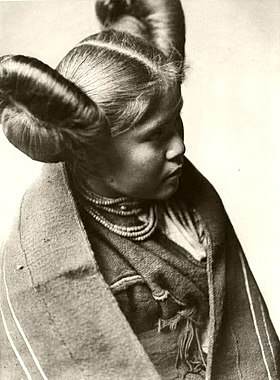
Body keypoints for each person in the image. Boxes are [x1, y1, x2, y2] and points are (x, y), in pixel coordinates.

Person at [0, 0, 279, 379]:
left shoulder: (193, 210)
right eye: (156, 135)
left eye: (177, 122)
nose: (179, 147)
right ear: (93, 153)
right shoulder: (46, 266)